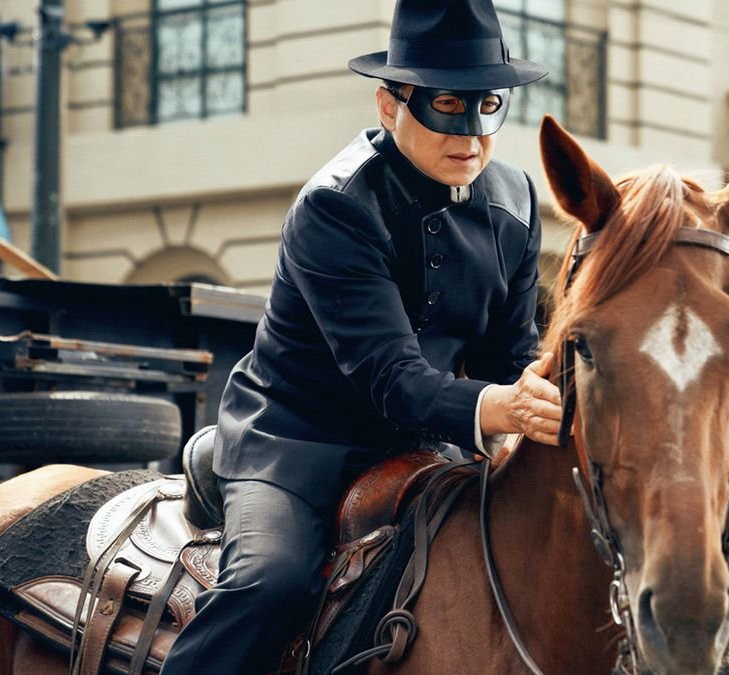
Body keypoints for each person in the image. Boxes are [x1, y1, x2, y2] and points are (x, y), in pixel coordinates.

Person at [160, 1, 561, 672]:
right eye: (444, 106)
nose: (471, 134)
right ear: (388, 103)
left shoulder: (518, 201)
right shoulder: (336, 206)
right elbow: (393, 379)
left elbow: (510, 358)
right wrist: (500, 406)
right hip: (296, 445)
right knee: (271, 581)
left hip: (425, 447)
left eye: (488, 106)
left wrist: (530, 413)